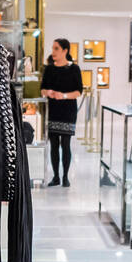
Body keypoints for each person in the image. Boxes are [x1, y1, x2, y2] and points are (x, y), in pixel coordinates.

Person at [39, 37, 82, 187]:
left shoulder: (74, 68)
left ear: (65, 50)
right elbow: (43, 89)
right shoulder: (49, 69)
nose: (53, 51)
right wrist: (49, 92)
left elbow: (78, 91)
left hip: (68, 111)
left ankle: (65, 176)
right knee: (54, 144)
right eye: (53, 48)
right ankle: (56, 176)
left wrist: (63, 95)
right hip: (53, 111)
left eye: (56, 48)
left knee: (66, 143)